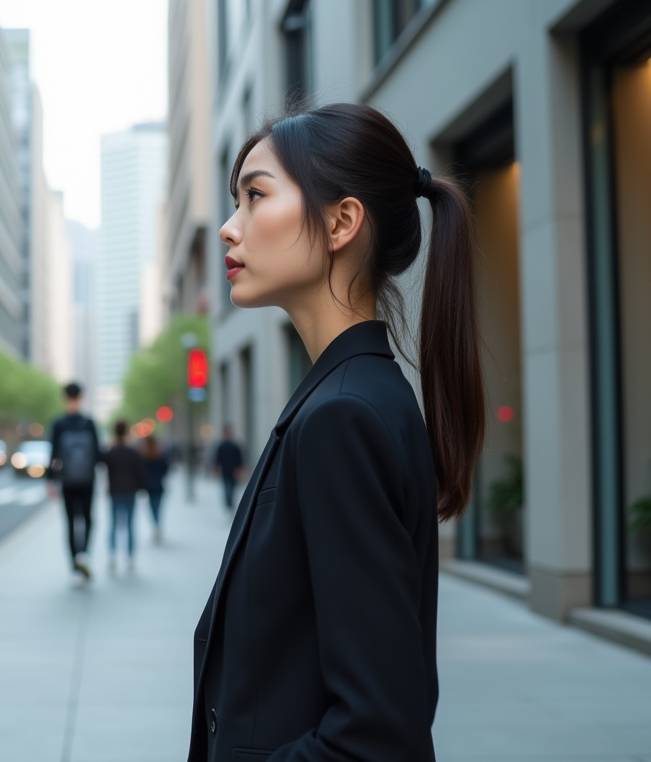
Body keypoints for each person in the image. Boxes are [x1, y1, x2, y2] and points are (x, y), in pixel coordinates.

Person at [189, 104, 484, 762]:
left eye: (255, 196)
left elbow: (376, 732)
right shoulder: (345, 399)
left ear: (342, 221)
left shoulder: (341, 417)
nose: (230, 230)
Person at [47, 383, 101, 582]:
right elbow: (97, 454)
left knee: (70, 522)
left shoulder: (59, 424)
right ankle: (83, 554)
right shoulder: (89, 423)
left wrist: (50, 481)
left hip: (67, 480)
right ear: (81, 397)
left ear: (64, 397)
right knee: (87, 519)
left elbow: (52, 455)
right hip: (87, 480)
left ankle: (73, 568)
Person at [101, 420, 146, 572]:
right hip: (130, 491)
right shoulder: (133, 452)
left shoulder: (111, 453)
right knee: (130, 525)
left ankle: (112, 557)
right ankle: (130, 558)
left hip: (115, 491)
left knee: (113, 525)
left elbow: (106, 471)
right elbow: (139, 473)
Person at [141, 435, 170, 543]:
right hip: (158, 485)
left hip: (149, 486)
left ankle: (156, 525)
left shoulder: (144, 455)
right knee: (157, 507)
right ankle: (157, 526)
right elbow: (165, 468)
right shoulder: (159, 454)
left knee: (152, 508)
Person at [212, 426, 244, 510]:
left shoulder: (235, 446)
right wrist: (217, 468)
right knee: (226, 487)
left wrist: (239, 469)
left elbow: (239, 459)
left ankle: (230, 503)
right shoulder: (221, 446)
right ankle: (228, 503)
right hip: (225, 470)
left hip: (233, 470)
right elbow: (218, 459)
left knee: (232, 488)